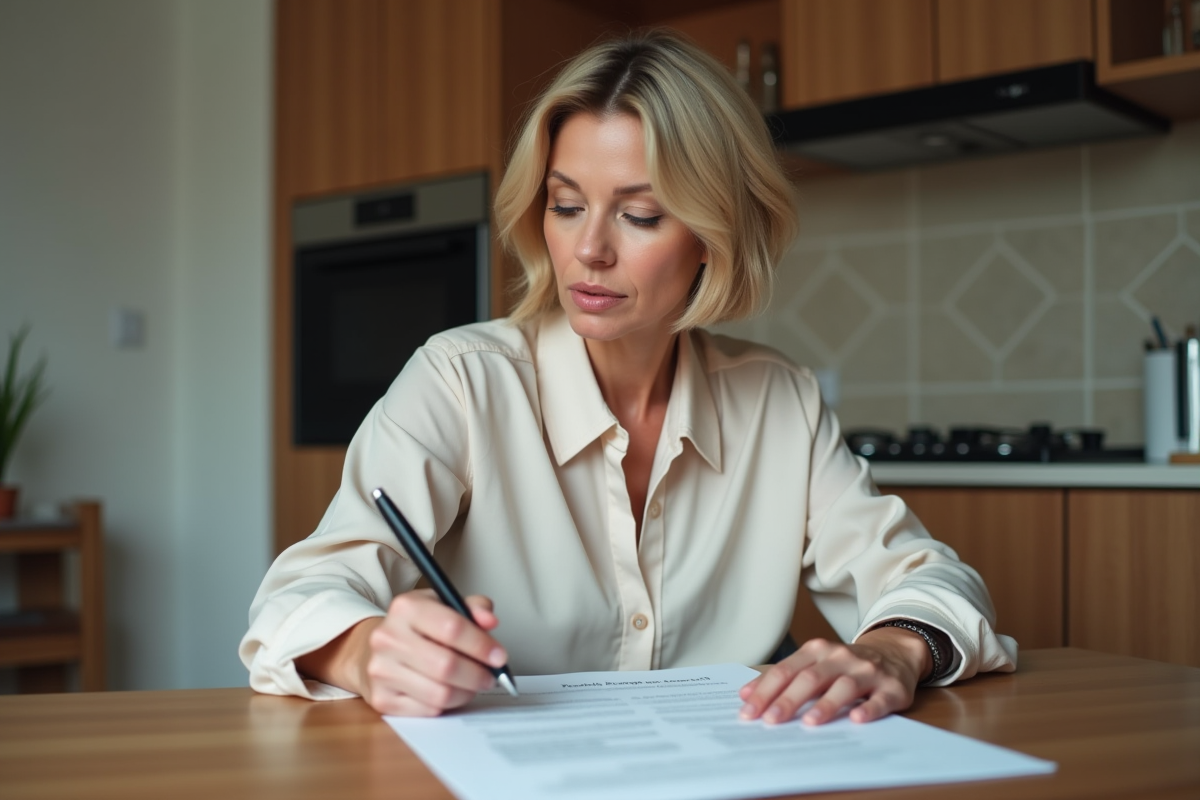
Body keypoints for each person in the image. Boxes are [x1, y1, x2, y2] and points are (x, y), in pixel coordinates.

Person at [240, 30, 1016, 726]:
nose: (589, 251)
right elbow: (295, 602)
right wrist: (365, 649)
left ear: (715, 234)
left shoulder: (778, 399)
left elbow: (931, 580)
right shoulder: (461, 382)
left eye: (640, 216)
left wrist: (893, 649)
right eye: (566, 205)